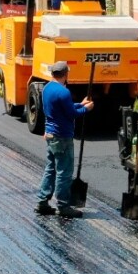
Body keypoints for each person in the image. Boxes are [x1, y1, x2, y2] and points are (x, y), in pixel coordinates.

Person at [35, 61, 94, 218]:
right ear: (66, 74)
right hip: (62, 137)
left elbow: (62, 107)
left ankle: (42, 202)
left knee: (50, 169)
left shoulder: (47, 88)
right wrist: (86, 108)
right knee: (64, 172)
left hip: (50, 134)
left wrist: (79, 104)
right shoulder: (63, 92)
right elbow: (71, 114)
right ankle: (63, 205)